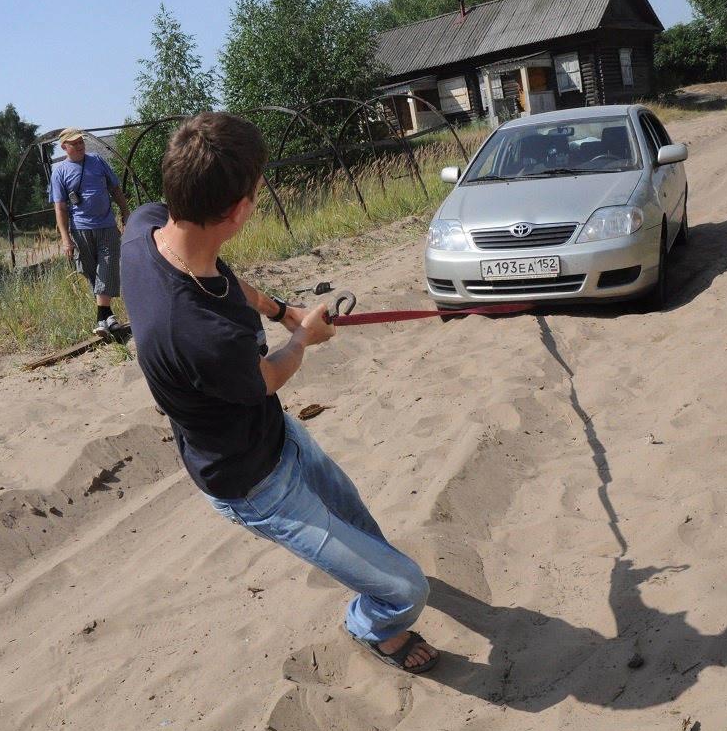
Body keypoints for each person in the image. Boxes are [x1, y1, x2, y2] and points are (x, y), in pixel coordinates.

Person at [120, 112, 439, 674]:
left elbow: (217, 271)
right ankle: (373, 626)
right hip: (254, 485)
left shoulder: (147, 228)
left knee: (367, 533)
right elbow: (267, 376)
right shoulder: (202, 335)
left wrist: (280, 309)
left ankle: (376, 579)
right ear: (240, 209)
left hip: (278, 435)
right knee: (409, 590)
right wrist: (303, 338)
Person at [50, 128, 133, 339]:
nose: (79, 145)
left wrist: (125, 211)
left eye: (81, 141)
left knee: (108, 267)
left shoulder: (96, 160)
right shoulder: (59, 172)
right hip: (80, 230)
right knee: (91, 272)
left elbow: (114, 188)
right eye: (74, 143)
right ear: (64, 147)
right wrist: (65, 239)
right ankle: (109, 317)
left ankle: (100, 317)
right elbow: (60, 207)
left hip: (107, 226)